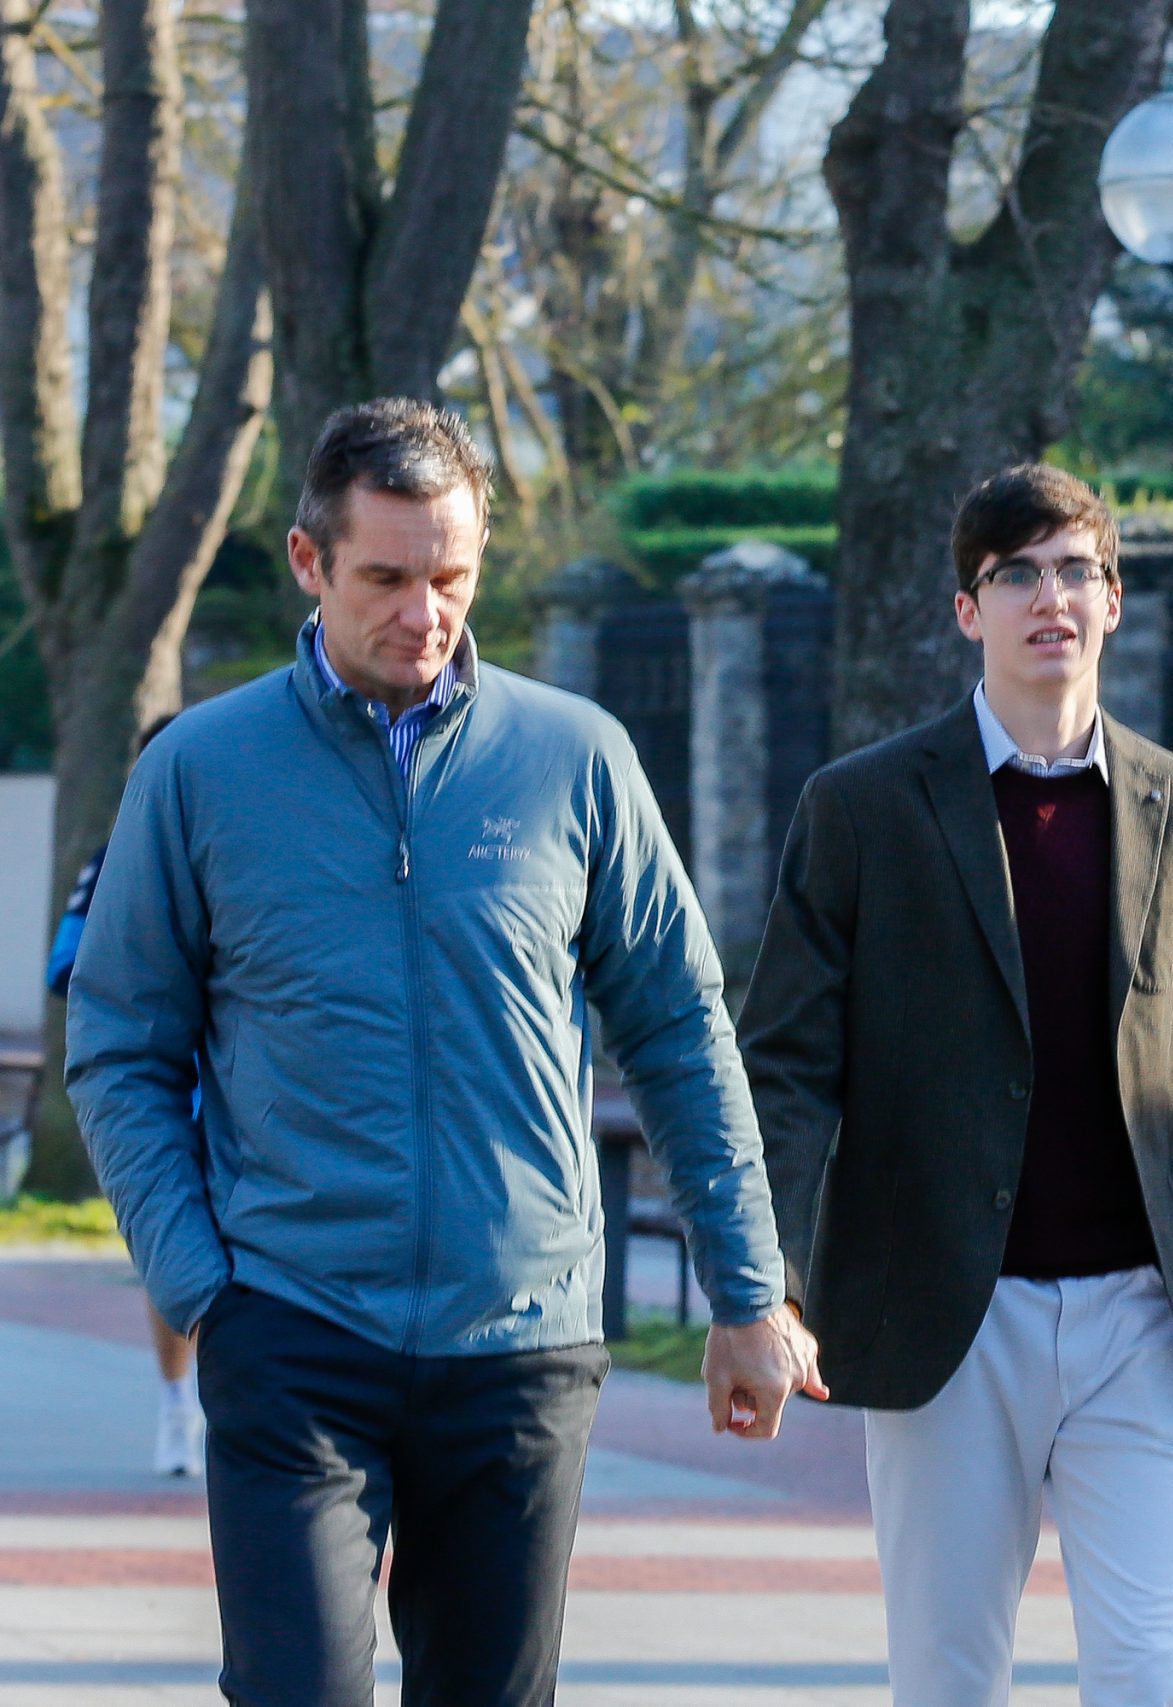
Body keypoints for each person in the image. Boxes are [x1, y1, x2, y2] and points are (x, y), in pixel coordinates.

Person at [66, 398, 824, 1707]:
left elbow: (681, 1029)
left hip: (520, 1340)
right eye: (388, 577)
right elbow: (120, 1043)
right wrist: (202, 1284)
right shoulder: (197, 770)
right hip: (291, 1325)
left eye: (454, 576)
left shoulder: (576, 756)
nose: (425, 612)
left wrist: (748, 1293)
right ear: (312, 562)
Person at [739, 463, 1173, 1706]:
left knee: (1147, 1674)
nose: (1051, 598)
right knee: (949, 1677)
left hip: (1150, 1323)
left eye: (1076, 570)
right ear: (968, 610)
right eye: (1016, 574)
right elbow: (787, 1072)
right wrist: (773, 1289)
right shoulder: (861, 807)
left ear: (1115, 600)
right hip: (947, 1320)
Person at [49, 717, 204, 1478]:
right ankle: (180, 1402)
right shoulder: (113, 860)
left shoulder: (269, 843)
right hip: (178, 1100)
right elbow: (71, 970)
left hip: (266, 1105)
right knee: (176, 1257)